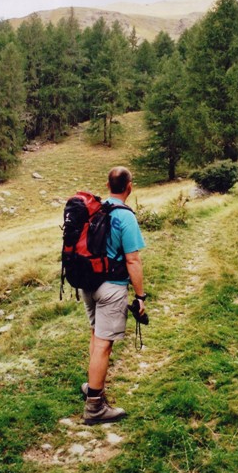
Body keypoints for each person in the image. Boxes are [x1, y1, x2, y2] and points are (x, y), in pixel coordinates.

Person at [81, 166, 147, 425]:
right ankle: (95, 408)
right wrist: (140, 296)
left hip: (88, 285)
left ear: (108, 185)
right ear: (129, 186)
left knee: (97, 337)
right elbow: (133, 260)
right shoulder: (125, 216)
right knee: (104, 345)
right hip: (111, 288)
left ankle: (92, 386)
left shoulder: (96, 208)